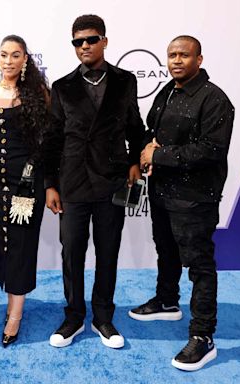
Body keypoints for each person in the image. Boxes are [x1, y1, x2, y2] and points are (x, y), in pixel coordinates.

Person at [129, 35, 234, 371]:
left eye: (184, 55)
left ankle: (203, 336)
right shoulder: (167, 91)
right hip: (162, 192)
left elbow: (211, 151)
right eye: (172, 55)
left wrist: (159, 154)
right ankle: (167, 300)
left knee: (200, 266)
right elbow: (150, 132)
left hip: (195, 199)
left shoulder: (215, 99)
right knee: (166, 250)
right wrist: (147, 149)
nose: (176, 60)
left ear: (199, 60)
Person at [42, 14, 145, 349]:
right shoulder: (62, 86)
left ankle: (103, 317)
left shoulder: (125, 81)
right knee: (71, 252)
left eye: (90, 39)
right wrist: (49, 184)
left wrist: (135, 161)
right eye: (77, 41)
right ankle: (73, 317)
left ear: (104, 40)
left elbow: (134, 127)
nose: (84, 46)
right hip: (71, 183)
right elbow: (52, 140)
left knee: (108, 252)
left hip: (112, 182)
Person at [0, 35, 49, 347]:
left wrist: (40, 179)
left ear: (25, 60)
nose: (8, 61)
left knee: (21, 244)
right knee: (2, 241)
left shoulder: (38, 95)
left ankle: (16, 315)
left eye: (15, 55)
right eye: (4, 54)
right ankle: (10, 302)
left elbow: (46, 144)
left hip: (26, 182)